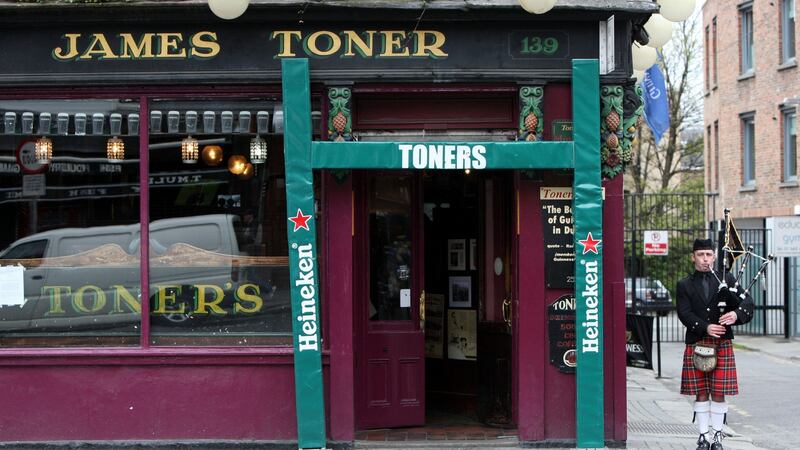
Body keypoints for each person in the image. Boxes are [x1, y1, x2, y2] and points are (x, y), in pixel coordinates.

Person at [676, 238, 754, 450]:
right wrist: (705, 327)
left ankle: (717, 436)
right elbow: (684, 313)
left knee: (719, 392)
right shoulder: (684, 284)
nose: (705, 259)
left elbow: (747, 302)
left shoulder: (726, 279)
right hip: (698, 340)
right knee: (701, 392)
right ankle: (703, 436)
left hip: (721, 344)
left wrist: (735, 314)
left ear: (714, 256)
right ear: (693, 257)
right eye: (700, 255)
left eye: (708, 255)